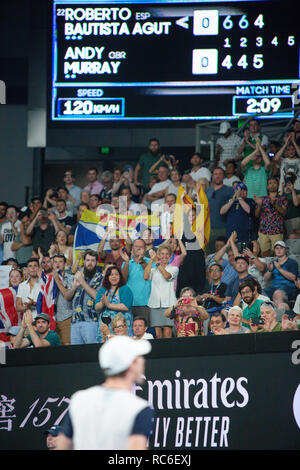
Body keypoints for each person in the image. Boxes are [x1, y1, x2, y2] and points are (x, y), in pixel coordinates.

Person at [56, 336, 154, 450]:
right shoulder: (139, 408)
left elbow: (63, 446)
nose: (143, 360)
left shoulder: (79, 399)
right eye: (139, 357)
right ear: (132, 364)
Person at [64, 250, 103, 345]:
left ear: (97, 262)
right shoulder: (78, 276)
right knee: (76, 355)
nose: (90, 263)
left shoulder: (101, 278)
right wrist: (74, 287)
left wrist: (82, 282)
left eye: (93, 260)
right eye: (88, 260)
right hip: (75, 321)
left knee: (91, 352)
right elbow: (67, 297)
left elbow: (97, 296)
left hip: (91, 320)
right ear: (84, 262)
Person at [144, 245, 178, 339]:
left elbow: (167, 276)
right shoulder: (153, 270)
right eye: (162, 254)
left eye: (167, 254)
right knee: (158, 335)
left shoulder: (174, 269)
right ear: (158, 255)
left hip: (169, 304)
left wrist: (156, 262)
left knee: (167, 333)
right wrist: (151, 260)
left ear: (170, 256)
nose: (164, 256)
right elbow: (145, 277)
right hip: (154, 304)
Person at [95, 265, 134, 343]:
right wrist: (103, 302)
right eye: (111, 275)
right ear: (107, 277)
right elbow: (97, 308)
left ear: (120, 276)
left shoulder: (125, 289)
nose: (114, 277)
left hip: (121, 324)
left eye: (116, 274)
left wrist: (109, 305)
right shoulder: (103, 290)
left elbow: (126, 306)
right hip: (106, 324)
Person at [176, 204, 207, 298]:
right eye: (189, 215)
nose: (191, 218)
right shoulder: (181, 230)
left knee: (197, 292)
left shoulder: (201, 229)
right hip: (185, 263)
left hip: (198, 262)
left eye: (193, 215)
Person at [255, 176, 288, 256]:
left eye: (274, 183)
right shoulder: (262, 199)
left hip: (277, 230)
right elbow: (256, 214)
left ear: (277, 185)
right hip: (263, 231)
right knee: (264, 254)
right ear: (267, 186)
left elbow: (284, 212)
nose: (272, 185)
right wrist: (259, 205)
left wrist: (274, 204)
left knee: (278, 255)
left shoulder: (282, 198)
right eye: (270, 183)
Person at [121, 238, 152, 324]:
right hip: (128, 304)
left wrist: (141, 260)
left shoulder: (150, 261)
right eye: (136, 246)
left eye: (141, 247)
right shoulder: (126, 262)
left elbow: (149, 274)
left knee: (145, 332)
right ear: (132, 249)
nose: (138, 248)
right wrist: (127, 263)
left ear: (145, 249)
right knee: (129, 332)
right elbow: (123, 280)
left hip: (145, 303)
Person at [206, 167, 234, 253]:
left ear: (223, 176)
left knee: (224, 254)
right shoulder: (207, 191)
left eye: (220, 174)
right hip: (208, 229)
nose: (218, 176)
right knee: (209, 255)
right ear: (212, 176)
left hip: (223, 228)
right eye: (215, 174)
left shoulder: (229, 190)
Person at [263, 241, 299, 308]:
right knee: (259, 293)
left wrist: (279, 268)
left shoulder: (292, 262)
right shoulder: (272, 263)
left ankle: (279, 316)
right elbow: (265, 279)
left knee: (277, 293)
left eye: (281, 248)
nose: (279, 250)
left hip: (288, 288)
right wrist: (270, 270)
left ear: (285, 249)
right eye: (277, 248)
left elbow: (293, 277)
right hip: (273, 287)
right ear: (274, 250)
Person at [52, 254, 74, 345]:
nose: (57, 264)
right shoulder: (47, 279)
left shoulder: (71, 279)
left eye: (60, 262)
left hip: (66, 316)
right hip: (51, 318)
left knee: (67, 346)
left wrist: (57, 280)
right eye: (55, 262)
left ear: (65, 264)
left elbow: (68, 296)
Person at [279, 172, 300, 239]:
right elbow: (278, 203)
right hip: (284, 220)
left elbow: (296, 203)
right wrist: (282, 188)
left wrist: (292, 190)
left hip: (295, 219)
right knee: (286, 240)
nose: (287, 180)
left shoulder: (297, 192)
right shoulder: (281, 192)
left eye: (289, 178)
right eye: (286, 178)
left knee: (294, 239)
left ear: (293, 180)